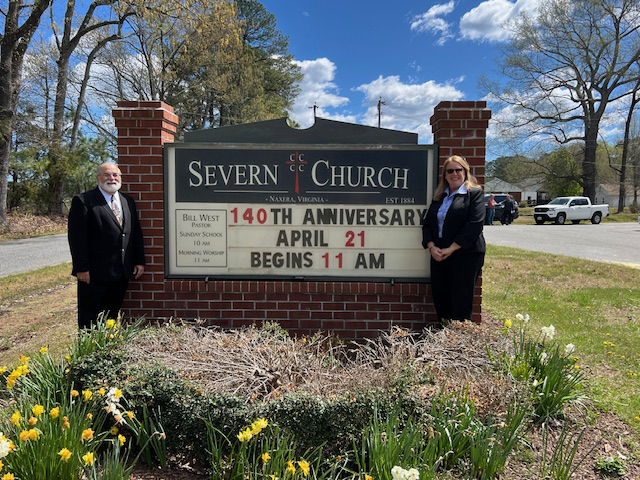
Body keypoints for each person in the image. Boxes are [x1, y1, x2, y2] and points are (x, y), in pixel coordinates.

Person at [68, 162, 146, 329]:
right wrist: (81, 268)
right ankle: (91, 352)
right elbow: (77, 238)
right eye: (107, 175)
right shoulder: (83, 201)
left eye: (115, 175)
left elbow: (135, 233)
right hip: (94, 274)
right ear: (98, 178)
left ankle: (108, 349)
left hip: (121, 272)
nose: (112, 178)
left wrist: (139, 261)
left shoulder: (127, 201)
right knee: (90, 320)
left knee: (111, 317)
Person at [422, 155, 486, 323]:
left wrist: (451, 248)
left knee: (461, 301)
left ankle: (459, 341)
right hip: (439, 254)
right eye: (450, 170)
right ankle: (444, 338)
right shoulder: (439, 197)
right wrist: (431, 246)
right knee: (441, 299)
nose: (454, 174)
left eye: (459, 170)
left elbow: (475, 224)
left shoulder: (474, 193)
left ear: (466, 172)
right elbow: (427, 224)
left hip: (465, 254)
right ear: (445, 175)